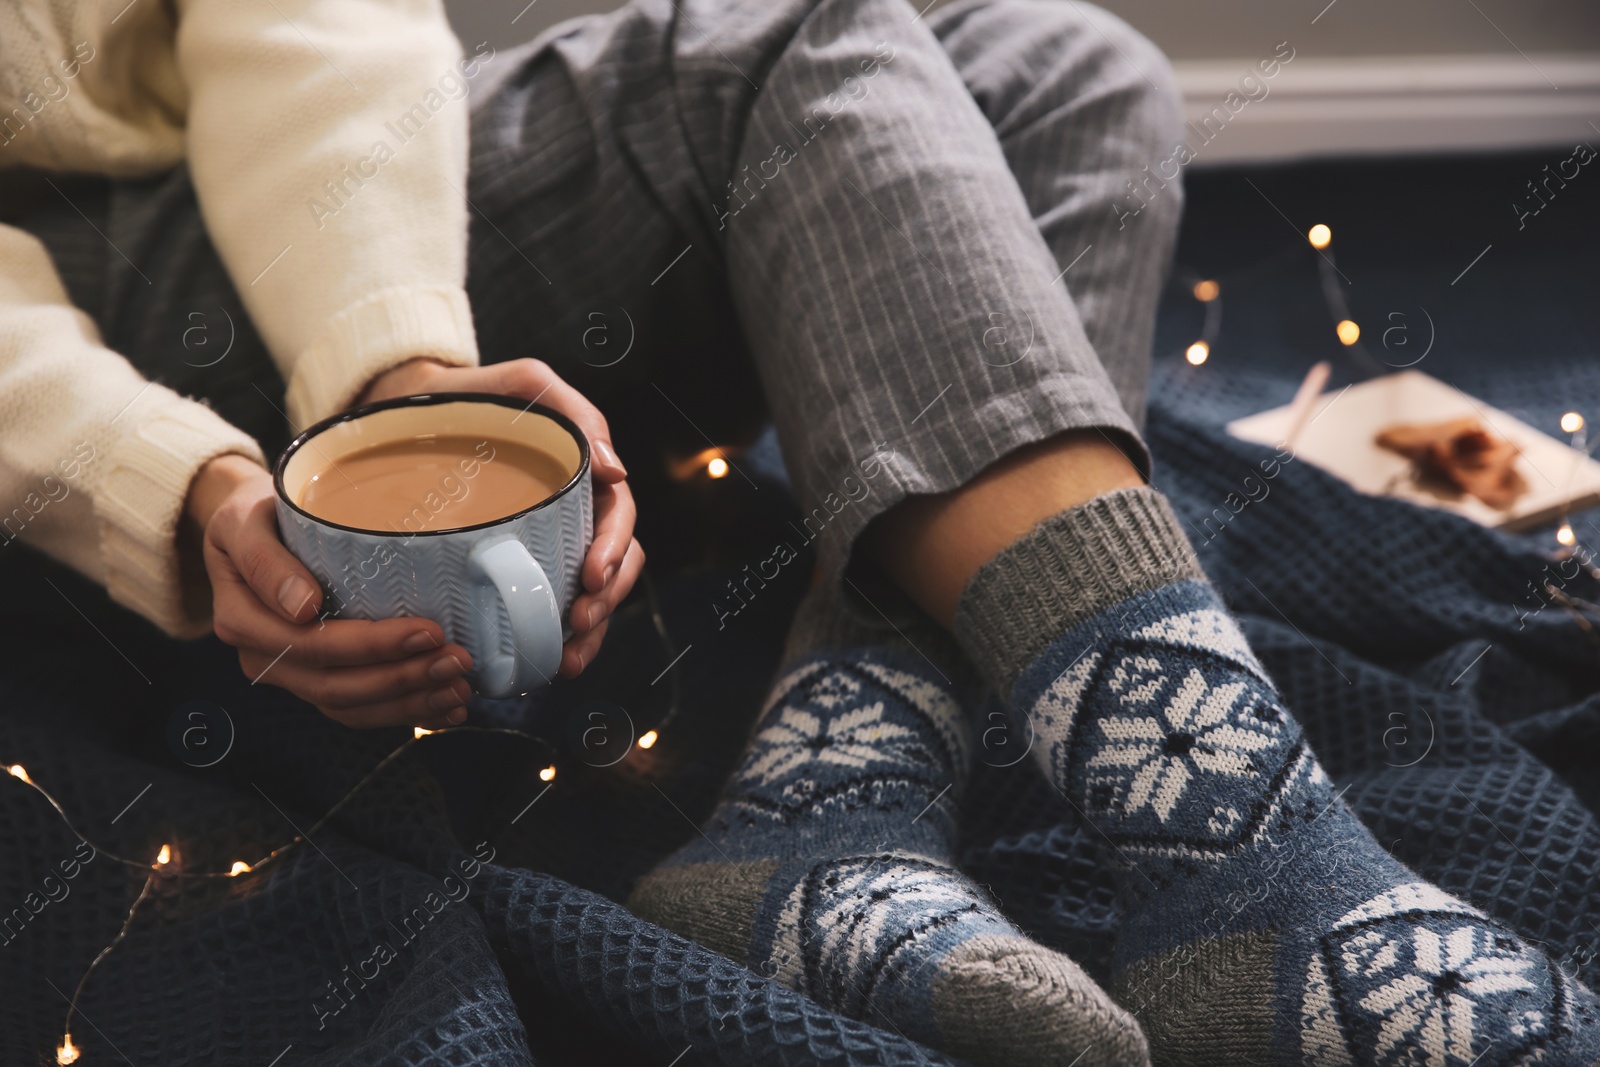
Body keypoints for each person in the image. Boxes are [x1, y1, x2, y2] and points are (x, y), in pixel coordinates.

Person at [4, 1, 1596, 1065]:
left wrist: (403, 355)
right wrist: (168, 480)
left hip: (268, 175)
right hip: (57, 318)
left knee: (1067, 74)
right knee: (792, 41)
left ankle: (837, 788)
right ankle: (1242, 855)